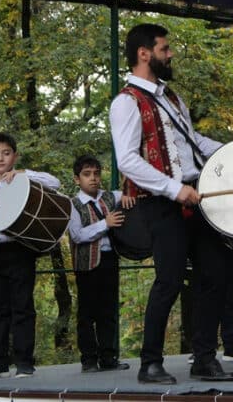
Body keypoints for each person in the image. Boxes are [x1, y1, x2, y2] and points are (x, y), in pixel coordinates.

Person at [109, 23, 233, 384]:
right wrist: (173, 189)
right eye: (165, 49)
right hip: (161, 203)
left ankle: (204, 359)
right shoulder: (126, 102)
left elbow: (194, 142)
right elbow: (127, 160)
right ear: (144, 54)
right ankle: (150, 363)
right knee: (169, 280)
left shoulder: (172, 98)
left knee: (216, 273)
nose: (171, 54)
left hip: (196, 195)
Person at [0, 132, 61, 378]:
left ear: (15, 156)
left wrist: (23, 174)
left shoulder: (24, 180)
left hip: (20, 251)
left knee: (23, 307)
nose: (1, 158)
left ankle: (24, 363)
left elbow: (55, 183)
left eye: (6, 153)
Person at [68, 154, 135, 373]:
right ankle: (88, 359)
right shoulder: (73, 205)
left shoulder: (110, 196)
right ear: (77, 179)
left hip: (109, 258)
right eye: (87, 174)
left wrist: (128, 195)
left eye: (96, 173)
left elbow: (130, 194)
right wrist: (105, 224)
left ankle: (109, 357)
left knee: (108, 310)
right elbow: (77, 235)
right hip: (86, 264)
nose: (93, 178)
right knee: (87, 313)